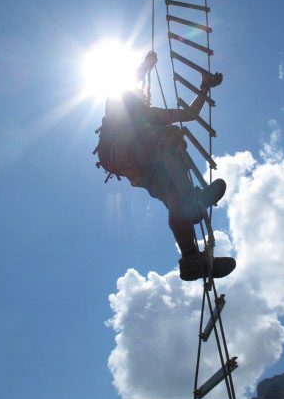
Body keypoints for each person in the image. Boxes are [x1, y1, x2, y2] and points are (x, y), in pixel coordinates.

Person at [95, 51, 236, 281]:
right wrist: (145, 66)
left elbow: (190, 114)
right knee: (170, 136)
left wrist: (204, 88)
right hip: (123, 150)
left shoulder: (152, 114)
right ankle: (192, 198)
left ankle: (190, 259)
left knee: (176, 201)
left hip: (144, 169)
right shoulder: (117, 106)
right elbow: (124, 85)